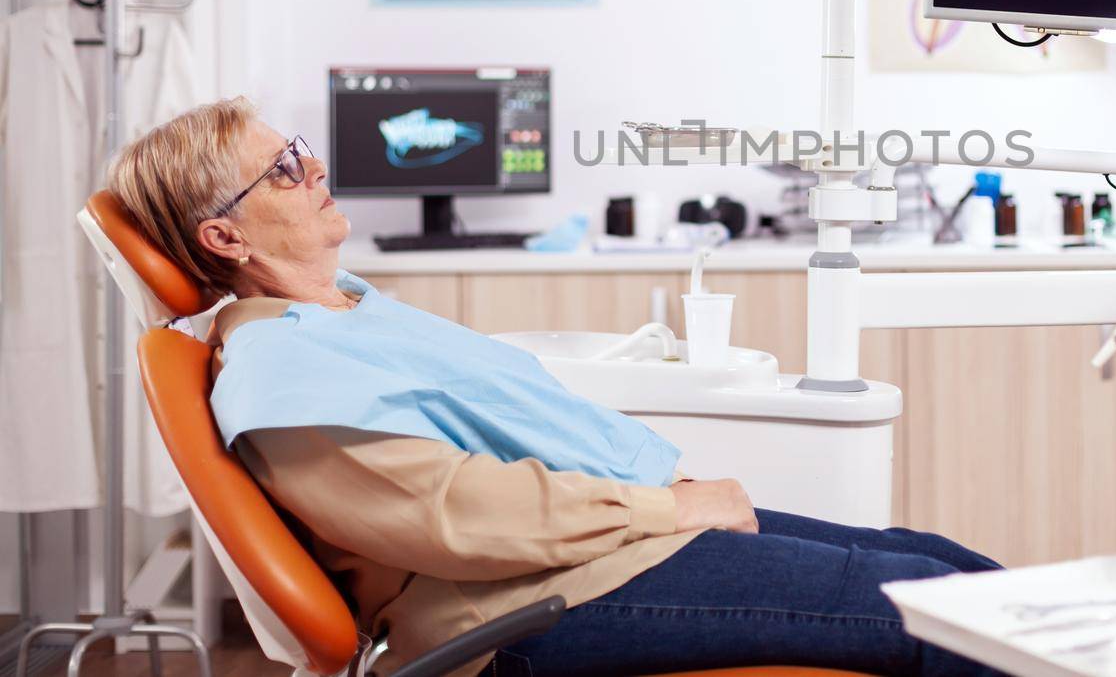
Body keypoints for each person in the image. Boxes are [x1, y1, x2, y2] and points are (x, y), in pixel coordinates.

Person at [110, 98, 1004, 677]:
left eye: (298, 151)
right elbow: (458, 514)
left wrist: (668, 497)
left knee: (937, 557)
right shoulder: (278, 372)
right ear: (224, 239)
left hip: (599, 552)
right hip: (527, 608)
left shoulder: (345, 313)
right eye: (282, 171)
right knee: (951, 617)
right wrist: (669, 510)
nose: (315, 173)